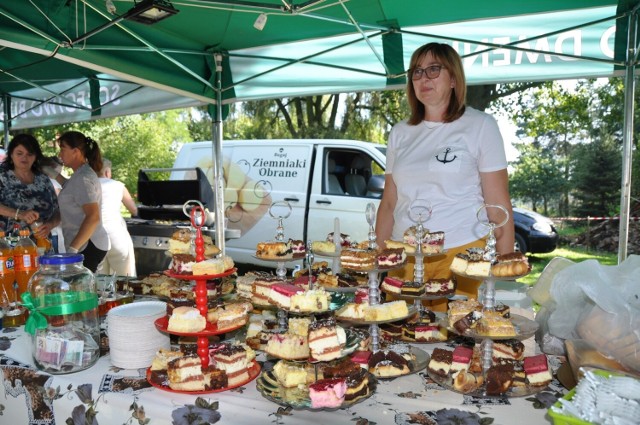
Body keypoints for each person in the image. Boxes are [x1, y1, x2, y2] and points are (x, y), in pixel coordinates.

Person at [375, 42, 515, 310]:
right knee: (401, 341)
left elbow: (498, 204)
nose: (423, 78)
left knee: (456, 345)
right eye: (416, 72)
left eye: (433, 70)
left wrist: (506, 265)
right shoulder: (400, 132)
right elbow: (390, 203)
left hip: (461, 258)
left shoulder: (481, 126)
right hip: (405, 259)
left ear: (453, 78)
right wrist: (379, 260)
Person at [48, 131, 110, 273]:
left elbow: (93, 217)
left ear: (76, 151)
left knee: (83, 291)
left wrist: (73, 250)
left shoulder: (83, 178)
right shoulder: (81, 174)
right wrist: (55, 176)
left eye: (63, 149)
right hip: (87, 243)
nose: (60, 155)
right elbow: (72, 190)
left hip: (87, 245)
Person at [0, 134, 61, 240]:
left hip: (42, 245)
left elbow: (58, 211)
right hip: (9, 247)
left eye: (30, 154)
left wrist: (50, 225)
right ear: (11, 155)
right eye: (19, 153)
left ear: (36, 156)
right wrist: (19, 214)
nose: (25, 157)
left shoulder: (43, 179)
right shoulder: (2, 176)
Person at [96, 158, 138, 277]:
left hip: (96, 237)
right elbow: (133, 210)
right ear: (107, 172)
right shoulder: (118, 186)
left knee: (101, 279)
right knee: (125, 277)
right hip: (116, 235)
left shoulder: (88, 186)